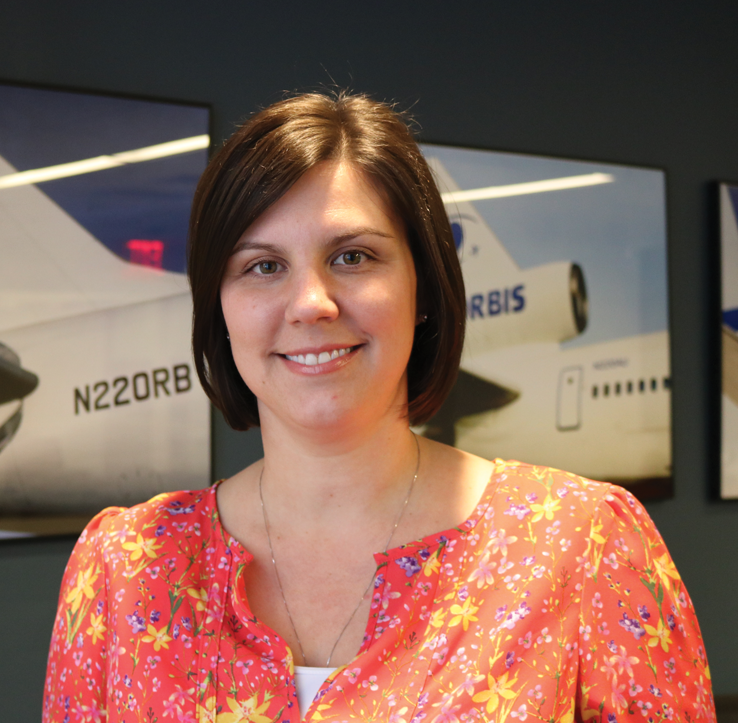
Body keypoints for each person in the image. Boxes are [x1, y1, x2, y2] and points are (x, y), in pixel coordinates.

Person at [43, 92, 715, 723]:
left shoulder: (580, 547)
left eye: (354, 256)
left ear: (422, 286)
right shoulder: (124, 568)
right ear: (219, 307)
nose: (311, 302)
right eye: (262, 266)